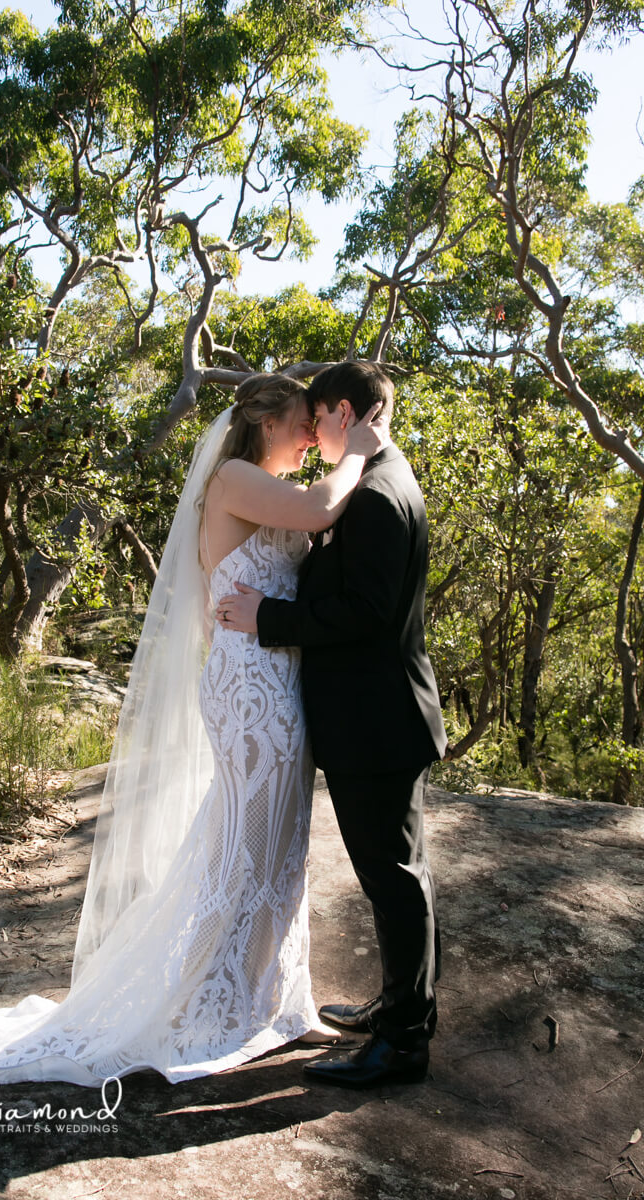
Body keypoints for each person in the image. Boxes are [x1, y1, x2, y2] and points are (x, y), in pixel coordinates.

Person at [0, 372, 384, 1087]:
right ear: (267, 423)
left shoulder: (267, 486)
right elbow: (323, 509)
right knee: (246, 844)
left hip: (275, 680)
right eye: (302, 422)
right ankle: (210, 1002)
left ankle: (264, 996)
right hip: (251, 690)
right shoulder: (235, 477)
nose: (307, 436)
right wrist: (359, 448)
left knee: (278, 845)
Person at [216, 360, 448, 1089]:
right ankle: (401, 1007)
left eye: (317, 418)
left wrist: (271, 617)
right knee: (396, 875)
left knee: (393, 879)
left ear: (343, 413)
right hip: (373, 716)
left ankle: (403, 1043)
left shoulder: (373, 494)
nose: (314, 433)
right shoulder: (378, 479)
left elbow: (365, 613)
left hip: (375, 720)